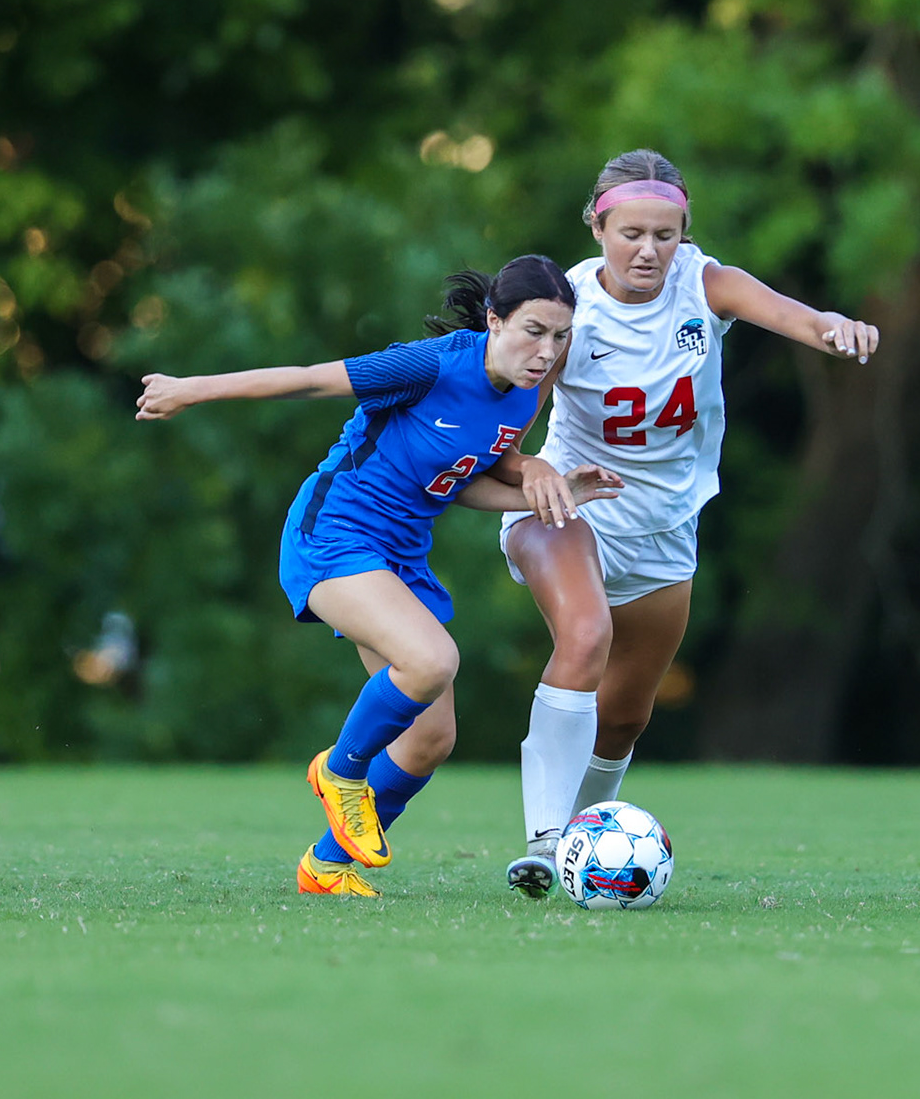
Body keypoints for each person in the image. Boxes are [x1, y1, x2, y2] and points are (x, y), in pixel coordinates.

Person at [137, 257, 618, 896]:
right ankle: (341, 770)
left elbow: (460, 482)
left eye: (559, 337)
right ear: (495, 321)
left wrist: (549, 491)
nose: (547, 351)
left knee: (430, 738)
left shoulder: (525, 389)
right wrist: (190, 389)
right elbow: (309, 381)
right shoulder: (429, 365)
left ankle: (326, 868)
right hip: (334, 532)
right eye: (533, 331)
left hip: (402, 554)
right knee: (431, 660)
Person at [478, 149, 882, 897]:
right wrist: (534, 472)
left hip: (665, 528)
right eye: (631, 233)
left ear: (684, 232)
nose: (648, 250)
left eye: (665, 234)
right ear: (598, 227)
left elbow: (791, 314)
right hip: (571, 509)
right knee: (586, 636)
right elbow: (504, 432)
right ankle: (543, 842)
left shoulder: (704, 285)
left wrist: (833, 327)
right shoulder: (569, 309)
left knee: (625, 717)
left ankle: (581, 850)